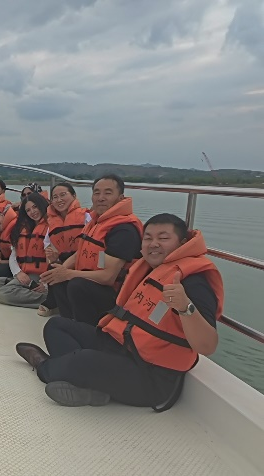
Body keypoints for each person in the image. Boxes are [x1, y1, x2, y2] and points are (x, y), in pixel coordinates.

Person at [15, 213, 223, 411]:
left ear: (182, 243)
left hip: (150, 375)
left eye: (163, 238)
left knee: (83, 360)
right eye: (148, 238)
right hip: (120, 345)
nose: (154, 244)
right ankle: (91, 386)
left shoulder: (193, 283)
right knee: (56, 326)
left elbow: (207, 345)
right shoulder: (150, 268)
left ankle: (45, 367)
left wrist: (185, 307)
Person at [40, 174, 142, 326]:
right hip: (92, 282)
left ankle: (89, 329)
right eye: (97, 193)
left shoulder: (123, 230)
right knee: (56, 273)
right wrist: (61, 270)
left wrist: (68, 274)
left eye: (108, 193)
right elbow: (80, 252)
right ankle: (71, 322)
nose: (101, 198)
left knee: (76, 284)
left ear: (120, 198)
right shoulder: (96, 222)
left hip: (116, 295)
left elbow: (108, 277)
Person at [0, 192, 49, 309]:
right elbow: (13, 256)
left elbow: (54, 260)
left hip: (40, 275)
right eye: (28, 210)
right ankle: (26, 288)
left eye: (35, 207)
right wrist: (18, 273)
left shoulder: (50, 227)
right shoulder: (22, 228)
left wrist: (46, 284)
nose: (32, 212)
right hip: (24, 273)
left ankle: (50, 300)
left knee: (3, 294)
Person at [37, 182, 91, 317]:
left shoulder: (87, 217)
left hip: (84, 263)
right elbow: (48, 247)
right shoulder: (52, 224)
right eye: (55, 197)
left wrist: (64, 267)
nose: (59, 200)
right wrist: (53, 258)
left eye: (63, 195)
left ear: (74, 196)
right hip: (64, 261)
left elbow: (91, 245)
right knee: (52, 267)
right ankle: (61, 308)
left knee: (60, 273)